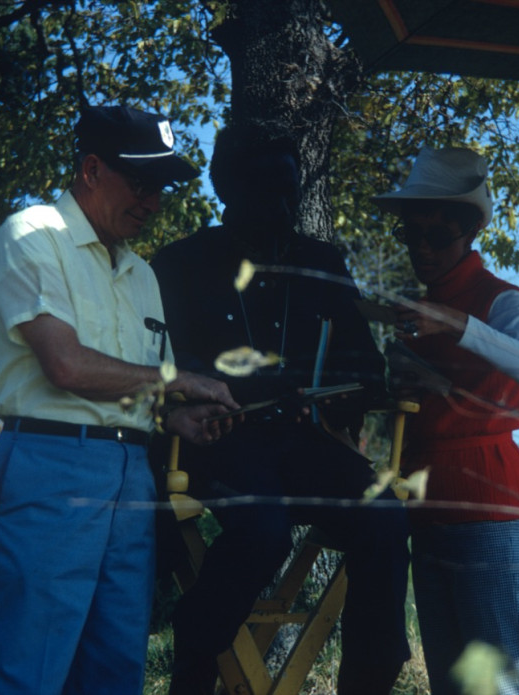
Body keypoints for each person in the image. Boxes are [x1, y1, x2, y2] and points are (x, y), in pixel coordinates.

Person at [0, 105, 239, 695]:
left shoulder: (141, 273)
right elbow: (64, 364)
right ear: (91, 169)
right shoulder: (32, 235)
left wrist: (177, 417)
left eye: (162, 188)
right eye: (141, 183)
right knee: (24, 671)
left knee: (115, 671)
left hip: (131, 476)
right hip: (48, 470)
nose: (153, 202)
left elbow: (132, 386)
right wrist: (173, 382)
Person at [151, 123, 411, 695]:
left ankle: (369, 683)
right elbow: (162, 364)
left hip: (303, 445)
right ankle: (193, 662)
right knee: (265, 532)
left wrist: (347, 389)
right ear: (226, 190)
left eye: (290, 190)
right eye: (264, 190)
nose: (283, 206)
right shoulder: (180, 264)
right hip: (218, 443)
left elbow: (365, 367)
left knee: (386, 516)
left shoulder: (321, 261)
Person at [373, 146, 519, 695]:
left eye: (437, 236)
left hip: (493, 513)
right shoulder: (420, 309)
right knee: (454, 683)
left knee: (504, 682)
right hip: (430, 509)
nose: (422, 249)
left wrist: (458, 326)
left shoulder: (500, 299)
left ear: (470, 231)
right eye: (413, 236)